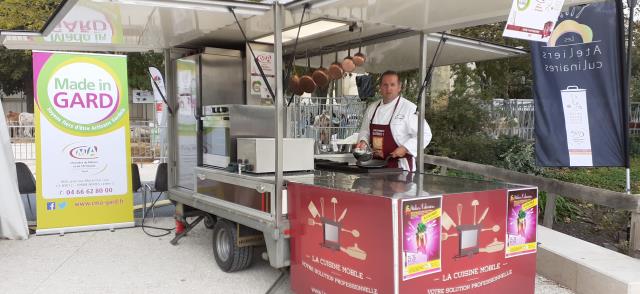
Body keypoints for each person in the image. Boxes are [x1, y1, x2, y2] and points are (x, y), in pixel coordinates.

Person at [356, 70, 432, 171]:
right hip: (375, 164)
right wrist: (363, 141)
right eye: (385, 85)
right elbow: (365, 131)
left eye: (392, 85)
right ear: (380, 87)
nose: (389, 88)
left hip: (400, 167)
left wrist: (405, 148)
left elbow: (425, 134)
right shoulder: (372, 108)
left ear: (399, 87)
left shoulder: (409, 108)